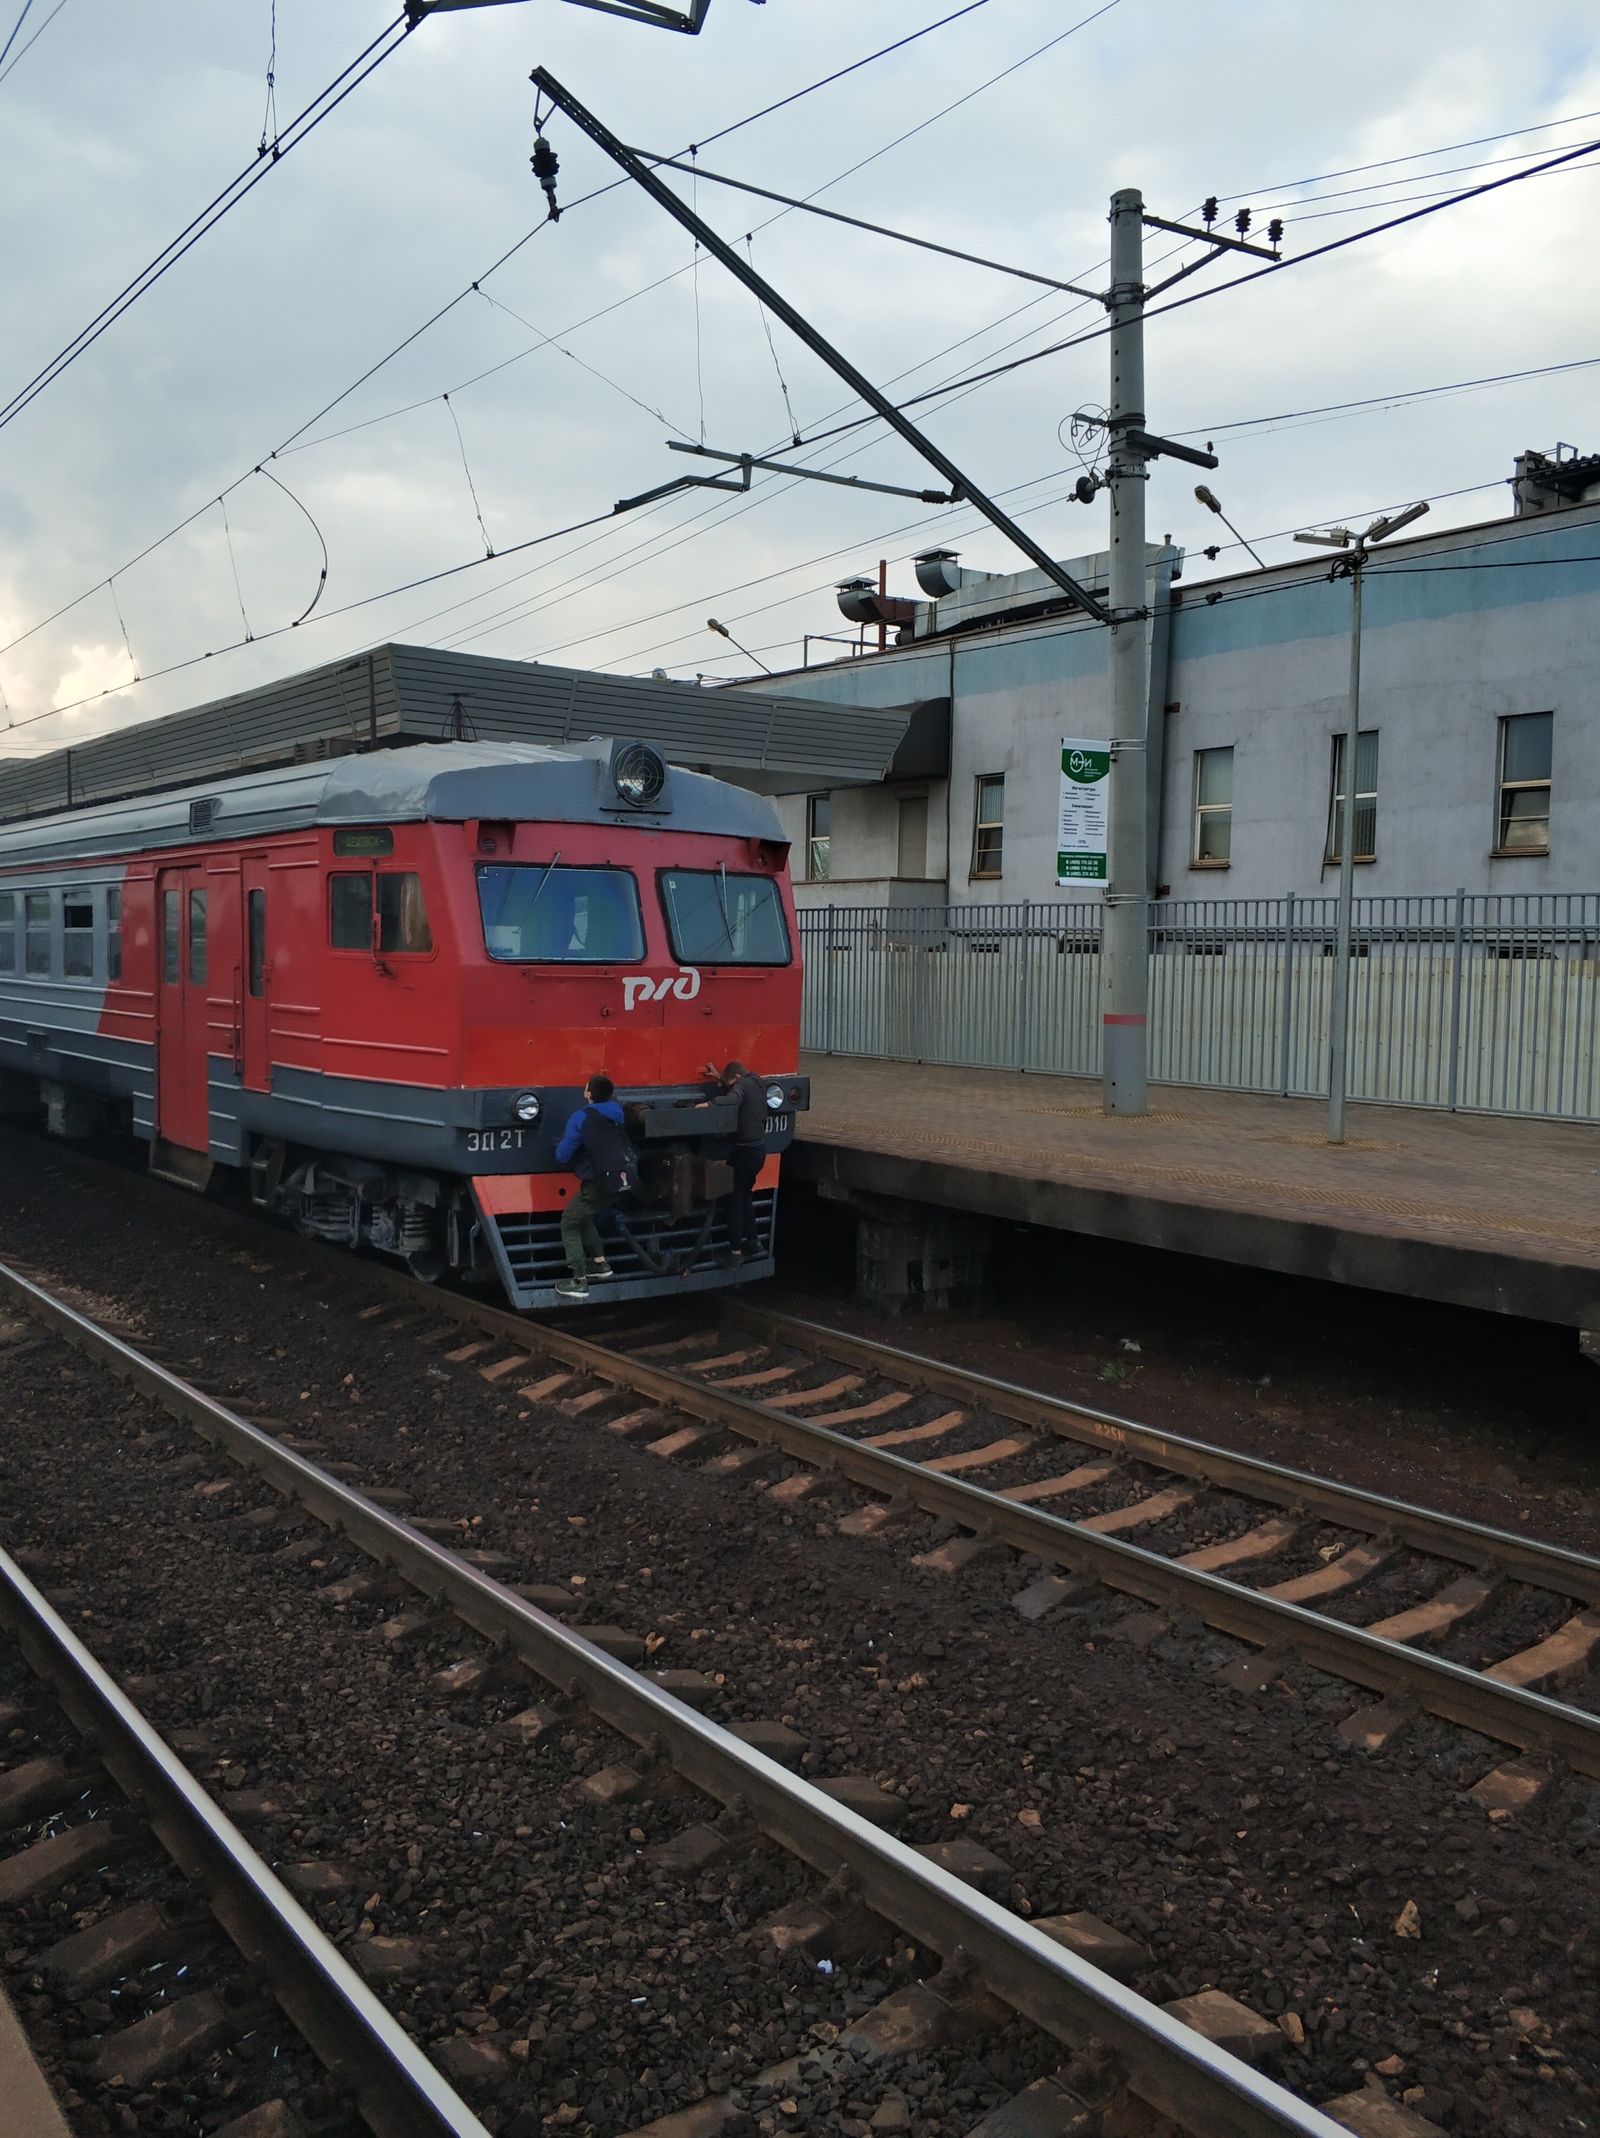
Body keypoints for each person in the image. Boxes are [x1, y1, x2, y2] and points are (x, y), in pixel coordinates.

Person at [553, 1074, 627, 1302]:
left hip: (595, 1182)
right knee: (584, 1217)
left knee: (568, 1223)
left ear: (588, 1094)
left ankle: (578, 1280)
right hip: (618, 1180)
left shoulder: (580, 1118)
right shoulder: (617, 1112)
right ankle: (600, 1264)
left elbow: (563, 1155)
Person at [699, 1058, 767, 1266]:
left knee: (733, 1200)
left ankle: (735, 1253)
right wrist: (720, 1077)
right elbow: (739, 1087)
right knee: (746, 1197)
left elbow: (734, 1098)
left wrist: (709, 1104)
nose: (728, 1088)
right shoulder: (757, 1082)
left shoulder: (740, 1086)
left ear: (736, 1078)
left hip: (743, 1152)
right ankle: (754, 1243)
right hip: (759, 1150)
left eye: (729, 1085)